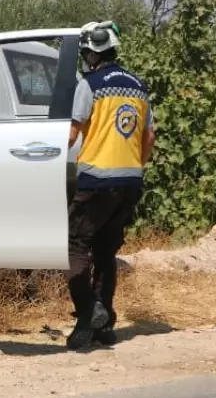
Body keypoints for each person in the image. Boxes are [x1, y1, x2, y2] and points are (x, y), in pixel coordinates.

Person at [65, 20, 156, 351]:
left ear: (92, 54)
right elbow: (149, 135)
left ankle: (89, 314)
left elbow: (72, 133)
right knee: (105, 252)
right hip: (130, 181)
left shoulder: (90, 84)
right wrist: (136, 166)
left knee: (74, 247)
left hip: (97, 179)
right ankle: (103, 326)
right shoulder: (138, 86)